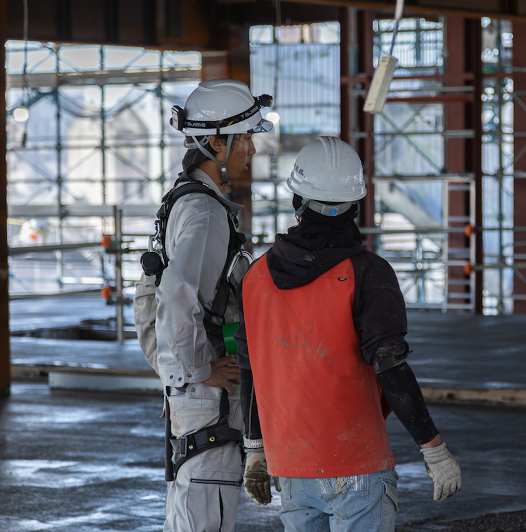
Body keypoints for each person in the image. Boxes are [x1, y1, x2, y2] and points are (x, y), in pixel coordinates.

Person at [234, 136, 462, 531]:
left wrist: (255, 449)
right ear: (355, 207)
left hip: (292, 469)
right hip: (356, 467)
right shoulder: (368, 273)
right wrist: (433, 447)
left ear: (296, 202)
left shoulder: (255, 277)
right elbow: (390, 366)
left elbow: (249, 369)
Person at [133, 78, 273, 532]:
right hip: (205, 395)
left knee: (193, 513)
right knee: (205, 516)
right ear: (216, 141)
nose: (251, 149)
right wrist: (197, 371)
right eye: (246, 138)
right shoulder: (207, 213)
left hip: (195, 392)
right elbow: (178, 297)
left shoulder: (186, 200)